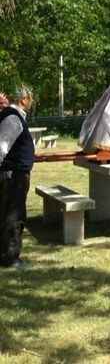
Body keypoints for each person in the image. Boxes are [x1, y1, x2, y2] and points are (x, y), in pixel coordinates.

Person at [0, 85, 35, 269]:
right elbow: (1, 147)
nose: (32, 102)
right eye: (31, 98)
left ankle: (6, 255)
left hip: (13, 175)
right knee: (14, 217)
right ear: (23, 99)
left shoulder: (15, 116)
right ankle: (11, 258)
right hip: (12, 177)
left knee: (8, 215)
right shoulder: (13, 118)